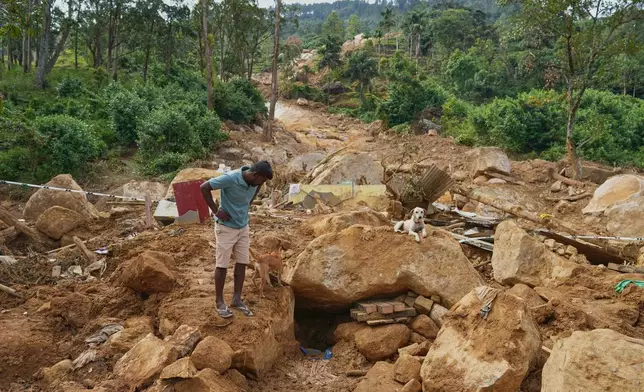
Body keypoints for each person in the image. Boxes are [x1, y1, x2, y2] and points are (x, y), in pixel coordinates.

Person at [200, 160, 273, 318]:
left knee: (242, 262)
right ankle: (219, 302)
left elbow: (257, 188)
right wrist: (215, 211)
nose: (262, 184)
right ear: (255, 175)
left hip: (243, 227)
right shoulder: (230, 178)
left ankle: (237, 299)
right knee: (222, 264)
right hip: (226, 228)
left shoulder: (255, 183)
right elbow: (204, 187)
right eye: (262, 180)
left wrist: (248, 204)